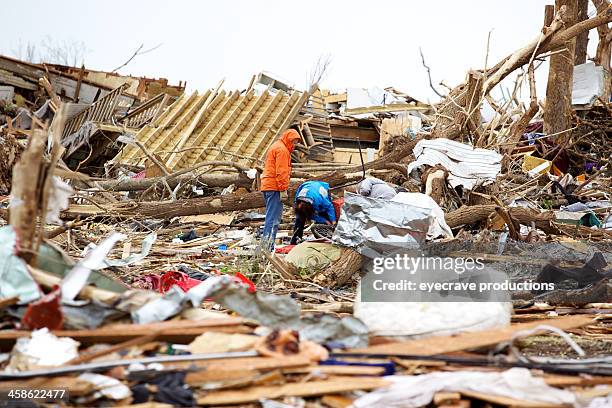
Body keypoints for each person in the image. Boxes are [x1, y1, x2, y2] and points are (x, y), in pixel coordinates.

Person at [260, 129, 302, 248]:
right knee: (273, 219)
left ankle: (267, 246)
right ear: (288, 139)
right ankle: (267, 247)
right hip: (275, 187)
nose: (294, 145)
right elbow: (282, 172)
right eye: (293, 142)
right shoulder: (282, 150)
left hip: (269, 185)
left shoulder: (276, 146)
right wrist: (283, 189)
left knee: (271, 217)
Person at [290, 180, 336, 244]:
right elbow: (310, 215)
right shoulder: (298, 202)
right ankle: (295, 240)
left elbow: (329, 207)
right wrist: (324, 220)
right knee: (299, 219)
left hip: (320, 188)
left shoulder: (320, 200)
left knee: (324, 215)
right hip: (306, 185)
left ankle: (324, 238)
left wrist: (333, 221)